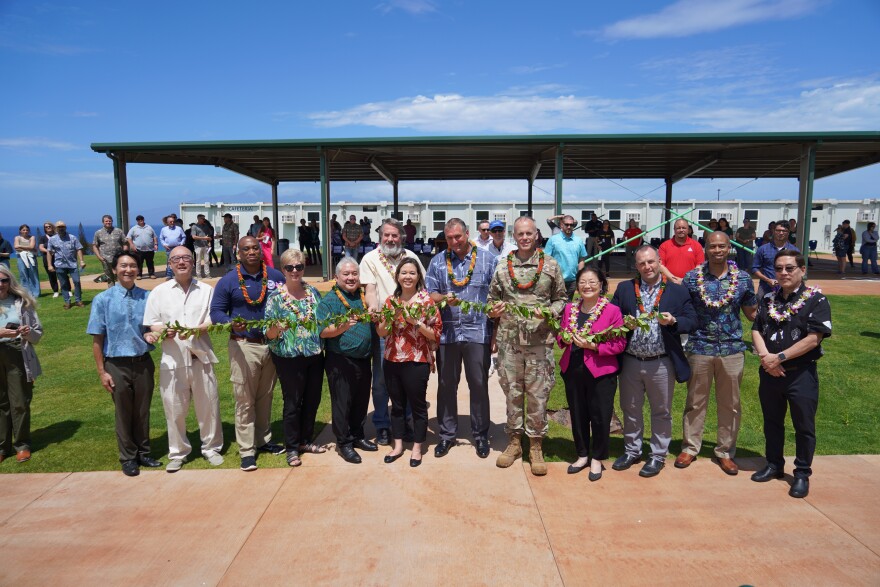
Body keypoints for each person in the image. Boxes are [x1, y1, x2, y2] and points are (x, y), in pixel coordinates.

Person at [487, 216, 566, 475]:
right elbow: (490, 303)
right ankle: (513, 443)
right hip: (509, 343)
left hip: (539, 343)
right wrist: (494, 311)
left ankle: (535, 445)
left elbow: (562, 300)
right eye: (520, 234)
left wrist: (550, 313)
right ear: (514, 235)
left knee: (537, 395)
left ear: (536, 234)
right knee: (513, 394)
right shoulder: (502, 267)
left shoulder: (551, 266)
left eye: (529, 233)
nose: (524, 238)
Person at [751, 249, 831, 498]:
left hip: (801, 374)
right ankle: (774, 464)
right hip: (770, 373)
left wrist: (780, 357)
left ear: (802, 270)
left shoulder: (816, 300)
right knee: (772, 422)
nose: (783, 273)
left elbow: (813, 339)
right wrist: (767, 360)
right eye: (779, 268)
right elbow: (756, 329)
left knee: (803, 426)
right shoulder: (768, 299)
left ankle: (801, 473)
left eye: (789, 268)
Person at [611, 245, 696, 478]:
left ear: (659, 261)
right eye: (642, 263)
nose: (647, 267)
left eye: (651, 262)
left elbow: (692, 320)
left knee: (661, 411)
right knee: (630, 408)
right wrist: (621, 324)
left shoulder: (677, 291)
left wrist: (675, 321)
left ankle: (658, 455)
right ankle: (632, 450)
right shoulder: (626, 288)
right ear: (636, 266)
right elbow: (612, 317)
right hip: (631, 360)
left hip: (661, 361)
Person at [677, 232, 757, 476]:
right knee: (695, 402)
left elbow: (751, 312)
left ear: (729, 248)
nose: (717, 250)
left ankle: (725, 451)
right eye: (713, 246)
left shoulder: (743, 279)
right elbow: (684, 311)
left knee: (730, 404)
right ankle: (690, 447)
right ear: (706, 249)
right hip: (699, 348)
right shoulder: (692, 279)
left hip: (732, 349)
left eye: (722, 246)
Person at [142, 246, 224, 473]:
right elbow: (153, 322)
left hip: (201, 357)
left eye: (186, 258)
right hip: (173, 359)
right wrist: (161, 332)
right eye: (176, 259)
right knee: (174, 409)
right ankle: (178, 452)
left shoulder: (207, 290)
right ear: (170, 264)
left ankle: (211, 448)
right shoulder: (159, 292)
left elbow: (213, 318)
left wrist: (197, 330)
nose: (181, 262)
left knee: (208, 406)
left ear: (193, 262)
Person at [210, 236, 286, 471]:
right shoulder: (228, 281)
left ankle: (263, 440)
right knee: (244, 399)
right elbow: (216, 311)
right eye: (246, 249)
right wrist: (231, 322)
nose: (252, 252)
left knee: (266, 396)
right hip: (244, 345)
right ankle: (246, 450)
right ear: (238, 253)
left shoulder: (275, 276)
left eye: (255, 248)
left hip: (271, 344)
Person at [426, 218, 498, 459]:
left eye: (458, 236)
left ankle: (480, 435)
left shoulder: (487, 259)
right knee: (447, 385)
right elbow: (429, 294)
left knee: (478, 384)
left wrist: (495, 332)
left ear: (467, 234)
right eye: (449, 238)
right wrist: (443, 298)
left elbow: (496, 297)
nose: (454, 241)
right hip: (448, 334)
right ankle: (447, 435)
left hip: (478, 331)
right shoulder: (437, 262)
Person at [87, 252, 161, 477]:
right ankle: (128, 457)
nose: (128, 270)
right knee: (123, 411)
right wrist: (102, 372)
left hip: (142, 363)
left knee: (142, 411)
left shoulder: (147, 297)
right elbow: (97, 339)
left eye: (132, 266)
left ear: (138, 270)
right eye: (123, 266)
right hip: (116, 364)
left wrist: (152, 334)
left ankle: (144, 452)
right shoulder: (103, 300)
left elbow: (153, 326)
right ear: (115, 269)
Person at [360, 218, 426, 446]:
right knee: (380, 381)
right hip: (385, 327)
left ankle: (406, 422)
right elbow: (370, 288)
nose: (390, 239)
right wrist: (372, 307)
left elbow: (421, 287)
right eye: (386, 235)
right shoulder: (370, 259)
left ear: (402, 237)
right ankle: (382, 425)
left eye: (394, 235)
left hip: (411, 329)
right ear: (380, 237)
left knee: (407, 379)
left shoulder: (411, 257)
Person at [557, 267, 625, 481]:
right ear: (577, 286)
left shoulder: (612, 310)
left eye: (592, 282)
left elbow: (620, 343)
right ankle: (582, 454)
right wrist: (564, 339)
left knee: (600, 416)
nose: (587, 286)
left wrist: (595, 347)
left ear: (601, 285)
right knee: (577, 414)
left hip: (600, 370)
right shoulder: (570, 309)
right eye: (583, 282)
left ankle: (597, 457)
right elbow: (561, 333)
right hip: (573, 368)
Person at [376, 258, 441, 467]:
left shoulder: (426, 302)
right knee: (396, 406)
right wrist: (390, 318)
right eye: (404, 272)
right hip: (392, 359)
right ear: (397, 277)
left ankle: (417, 448)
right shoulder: (390, 302)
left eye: (412, 273)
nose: (408, 277)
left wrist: (417, 323)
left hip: (417, 360)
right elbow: (381, 332)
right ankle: (397, 446)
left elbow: (435, 334)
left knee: (418, 406)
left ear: (418, 277)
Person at [263, 249, 325, 468]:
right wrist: (276, 328)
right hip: (288, 357)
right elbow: (267, 333)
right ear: (283, 270)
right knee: (293, 402)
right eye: (290, 267)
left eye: (299, 266)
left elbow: (322, 321)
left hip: (314, 355)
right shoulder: (276, 298)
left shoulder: (314, 293)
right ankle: (291, 447)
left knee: (312, 399)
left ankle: (305, 441)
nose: (295, 271)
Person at [317, 257, 377, 464]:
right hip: (340, 360)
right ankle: (344, 443)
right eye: (346, 274)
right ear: (336, 277)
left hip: (363, 358)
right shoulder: (329, 301)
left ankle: (358, 435)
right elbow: (323, 331)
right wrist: (342, 327)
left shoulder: (362, 296)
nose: (351, 278)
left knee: (361, 401)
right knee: (343, 403)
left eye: (354, 274)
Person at [0, 266, 42, 464]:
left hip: (17, 353)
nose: (0, 285)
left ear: (10, 282)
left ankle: (22, 445)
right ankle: (2, 446)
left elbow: (37, 334)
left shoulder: (22, 303)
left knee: (19, 402)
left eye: (4, 280)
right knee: (1, 402)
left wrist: (26, 333)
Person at [752, 220, 800, 298]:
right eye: (778, 230)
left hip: (787, 289)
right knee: (761, 309)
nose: (781, 233)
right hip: (766, 288)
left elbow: (799, 270)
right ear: (774, 231)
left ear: (788, 233)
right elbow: (754, 268)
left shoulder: (794, 251)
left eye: (784, 231)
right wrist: (767, 280)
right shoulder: (763, 249)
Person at [543, 214, 587, 299]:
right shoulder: (553, 240)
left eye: (571, 224)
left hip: (572, 280)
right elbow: (547, 259)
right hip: (557, 280)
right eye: (566, 224)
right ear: (561, 225)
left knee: (568, 305)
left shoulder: (578, 241)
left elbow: (581, 259)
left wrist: (580, 275)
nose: (569, 227)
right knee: (555, 305)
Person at [46, 220, 86, 309]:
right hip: (60, 265)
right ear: (56, 228)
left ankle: (78, 300)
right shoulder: (52, 239)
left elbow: (79, 249)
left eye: (62, 227)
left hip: (72, 264)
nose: (61, 229)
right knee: (63, 284)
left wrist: (82, 261)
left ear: (65, 227)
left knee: (77, 281)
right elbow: (49, 252)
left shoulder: (72, 238)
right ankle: (67, 302)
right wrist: (49, 265)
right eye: (59, 227)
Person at [659, 219, 704, 285]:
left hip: (690, 285)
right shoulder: (664, 246)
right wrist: (674, 280)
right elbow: (661, 266)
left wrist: (684, 281)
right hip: (669, 284)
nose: (681, 230)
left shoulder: (696, 245)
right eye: (678, 228)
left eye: (684, 228)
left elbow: (700, 267)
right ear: (674, 229)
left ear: (688, 230)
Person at [93, 215, 127, 286]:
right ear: (103, 222)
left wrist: (124, 255)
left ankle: (122, 293)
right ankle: (112, 294)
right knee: (110, 278)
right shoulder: (98, 233)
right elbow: (95, 246)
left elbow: (125, 243)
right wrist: (100, 257)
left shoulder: (119, 231)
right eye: (106, 221)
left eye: (109, 221)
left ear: (112, 221)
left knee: (120, 276)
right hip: (105, 260)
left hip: (118, 259)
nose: (108, 222)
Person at [126, 215, 158, 280]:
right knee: (139, 262)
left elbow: (154, 236)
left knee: (150, 262)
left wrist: (156, 244)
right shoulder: (134, 228)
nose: (141, 221)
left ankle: (151, 274)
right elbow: (128, 238)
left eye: (142, 219)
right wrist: (132, 245)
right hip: (138, 249)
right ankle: (139, 275)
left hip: (149, 249)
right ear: (137, 221)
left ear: (144, 220)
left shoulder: (149, 227)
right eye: (139, 220)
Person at [13, 225, 40, 298]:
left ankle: (35, 293)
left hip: (31, 257)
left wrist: (21, 247)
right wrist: (29, 248)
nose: (25, 231)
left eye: (27, 230)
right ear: (20, 231)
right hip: (21, 258)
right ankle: (26, 293)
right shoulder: (17, 238)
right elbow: (16, 247)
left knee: (33, 275)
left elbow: (32, 246)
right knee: (23, 274)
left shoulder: (32, 237)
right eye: (23, 230)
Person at [38, 222, 62, 298]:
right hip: (47, 259)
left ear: (52, 227)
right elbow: (41, 248)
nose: (48, 227)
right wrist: (49, 251)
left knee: (62, 274)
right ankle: (55, 291)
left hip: (58, 257)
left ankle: (67, 290)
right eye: (46, 227)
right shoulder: (43, 238)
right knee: (51, 276)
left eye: (49, 226)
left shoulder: (58, 236)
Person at [159, 215, 186, 280]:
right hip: (169, 248)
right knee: (170, 262)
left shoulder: (179, 228)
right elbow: (161, 238)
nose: (172, 223)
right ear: (167, 222)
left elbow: (184, 236)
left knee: (179, 261)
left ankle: (178, 274)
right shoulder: (164, 229)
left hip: (178, 248)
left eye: (173, 221)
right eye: (170, 222)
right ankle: (169, 275)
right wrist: (164, 244)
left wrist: (181, 244)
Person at [191, 214, 211, 279]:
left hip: (205, 246)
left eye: (204, 219)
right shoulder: (194, 227)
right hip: (198, 246)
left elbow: (208, 235)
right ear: (198, 219)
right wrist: (204, 238)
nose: (204, 220)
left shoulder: (206, 226)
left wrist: (209, 241)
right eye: (202, 219)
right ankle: (198, 274)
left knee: (206, 260)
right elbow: (194, 236)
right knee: (198, 261)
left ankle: (207, 274)